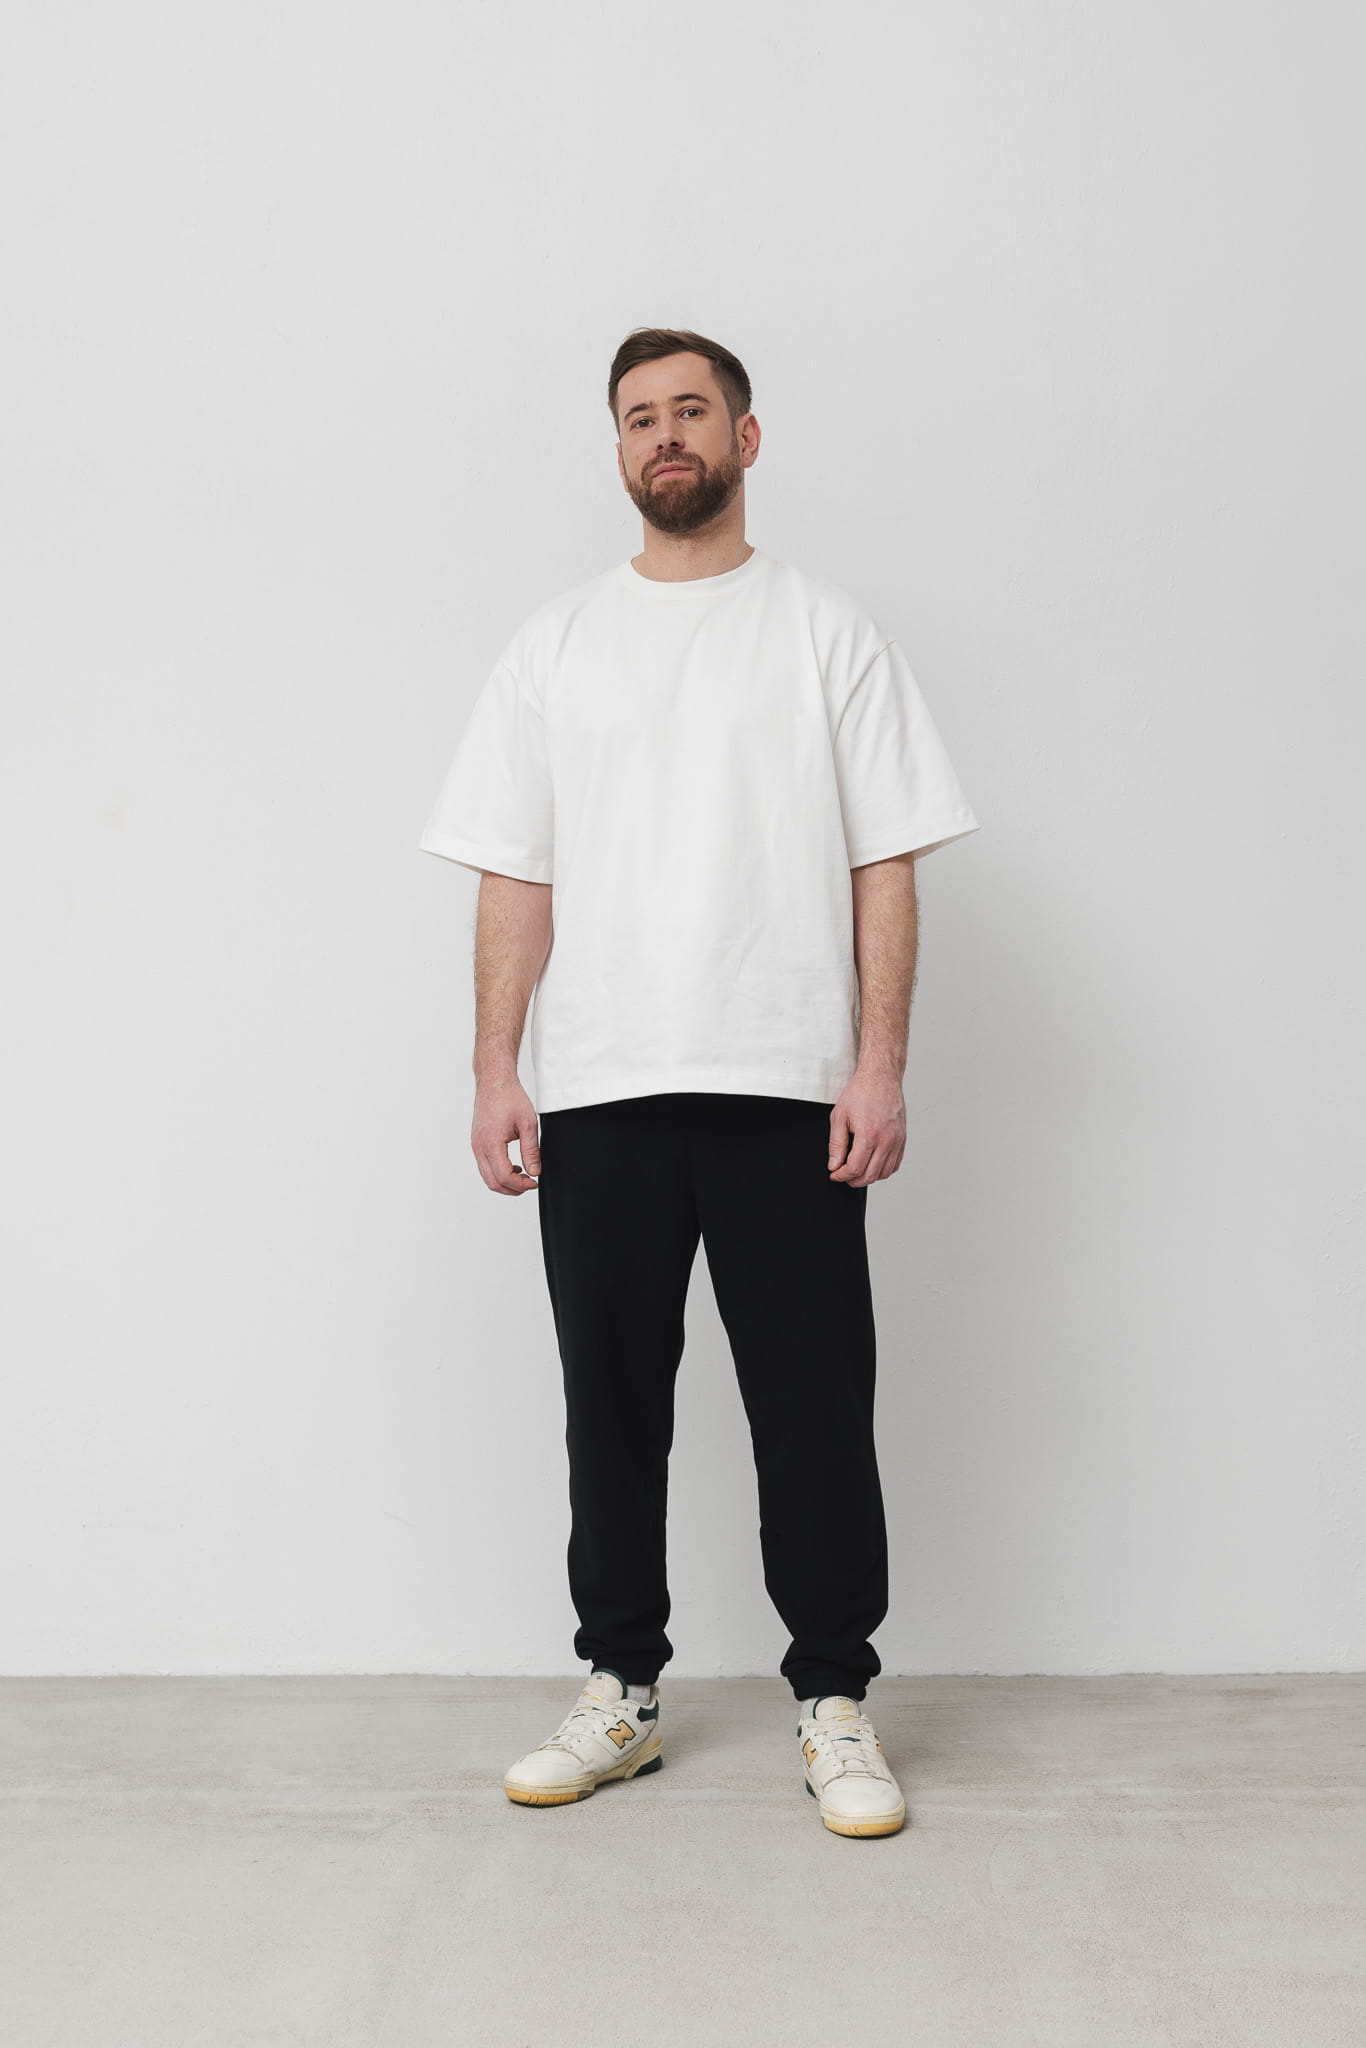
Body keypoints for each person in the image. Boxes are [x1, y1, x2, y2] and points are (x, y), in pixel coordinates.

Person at [418, 326, 980, 1839]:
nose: (664, 435)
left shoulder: (824, 631)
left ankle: (834, 1698)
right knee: (610, 1406)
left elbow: (884, 861)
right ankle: (621, 1689)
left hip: (785, 1082)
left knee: (813, 1404)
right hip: (602, 1085)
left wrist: (878, 1062)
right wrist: (494, 1066)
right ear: (617, 449)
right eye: (637, 417)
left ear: (746, 436)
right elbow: (515, 872)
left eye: (690, 411)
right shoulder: (554, 646)